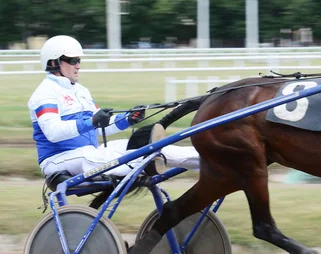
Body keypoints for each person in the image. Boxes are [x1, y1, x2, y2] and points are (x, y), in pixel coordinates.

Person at [28, 35, 200, 178]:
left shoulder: (81, 91)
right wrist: (91, 122)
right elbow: (53, 132)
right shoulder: (44, 93)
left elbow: (99, 127)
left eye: (79, 60)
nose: (78, 65)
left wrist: (127, 119)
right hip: (57, 159)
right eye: (73, 60)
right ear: (53, 63)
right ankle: (147, 163)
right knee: (95, 157)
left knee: (138, 147)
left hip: (89, 153)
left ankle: (205, 157)